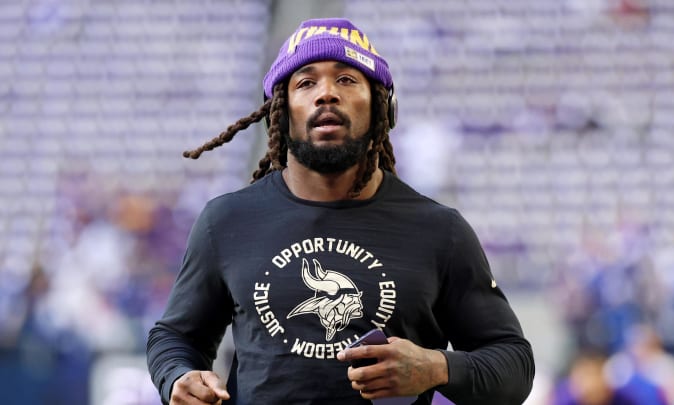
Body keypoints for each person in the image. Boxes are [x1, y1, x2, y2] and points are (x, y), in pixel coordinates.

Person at [146, 17, 535, 405]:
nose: (326, 93)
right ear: (279, 112)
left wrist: (437, 367)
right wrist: (178, 378)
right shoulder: (226, 222)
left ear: (383, 107)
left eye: (347, 79)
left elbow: (513, 365)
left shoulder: (440, 231)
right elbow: (176, 337)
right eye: (305, 82)